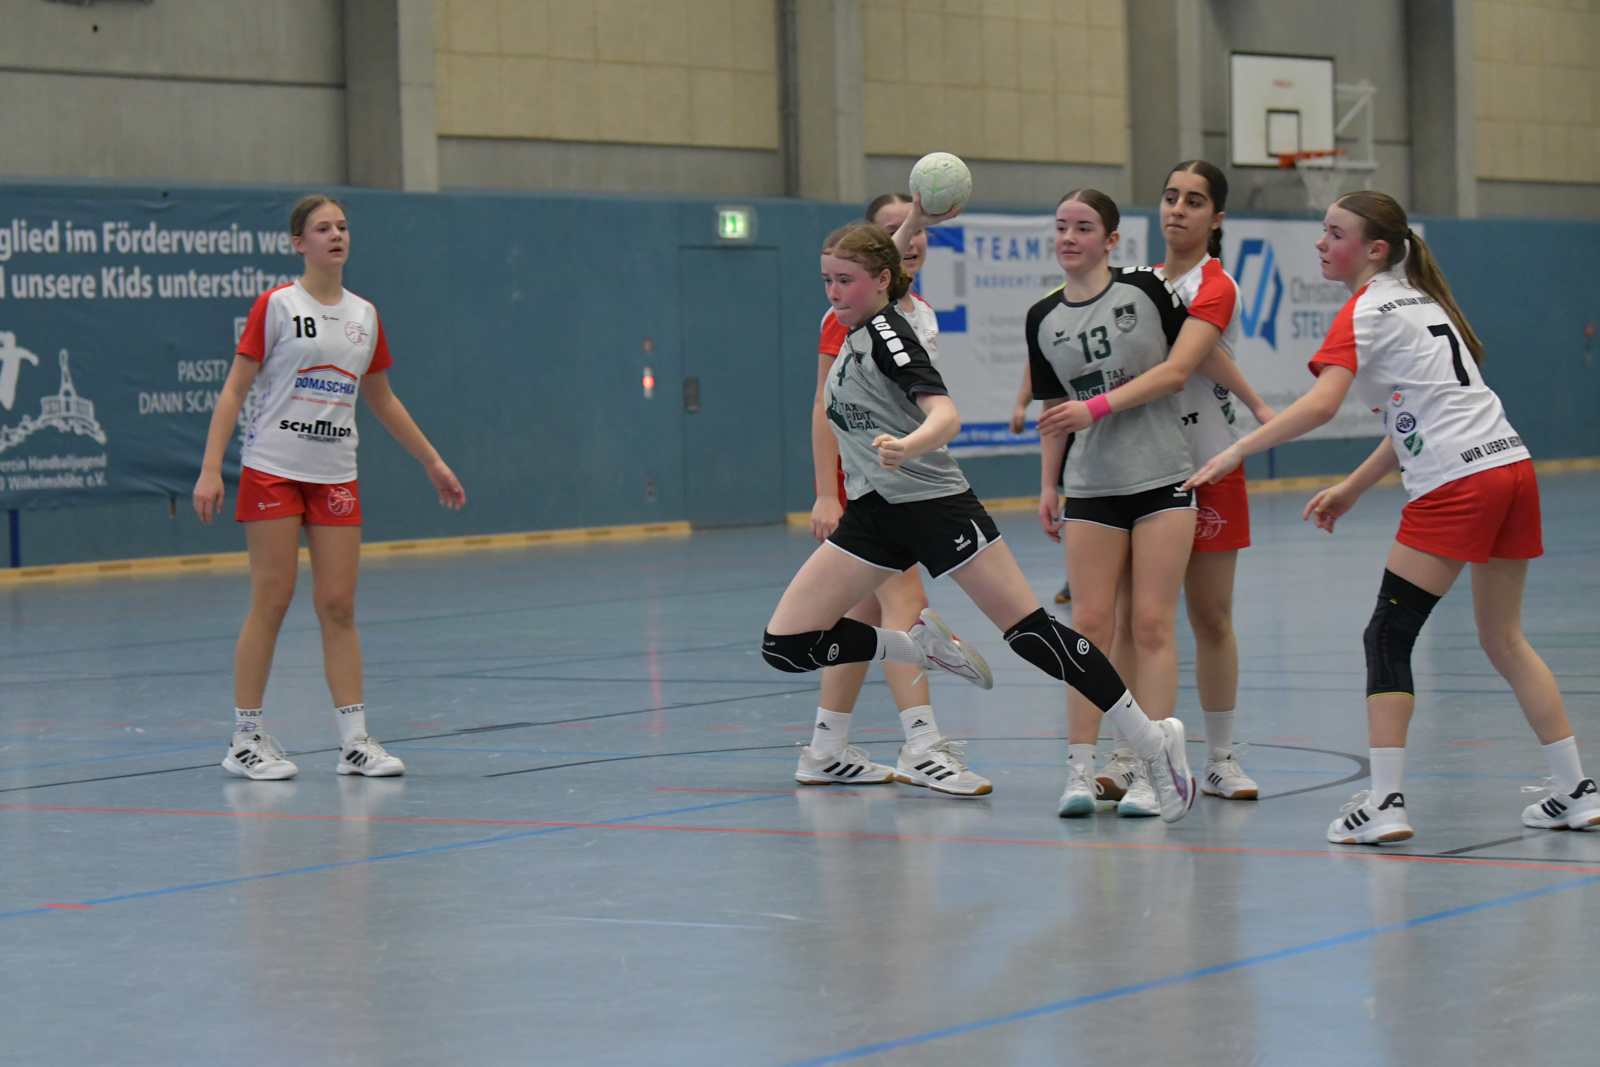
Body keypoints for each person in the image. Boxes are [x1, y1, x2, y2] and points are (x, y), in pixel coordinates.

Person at [1186, 190, 1598, 842]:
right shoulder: (1421, 298)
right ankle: (1575, 789)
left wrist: (1237, 448)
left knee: (1388, 636)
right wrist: (1354, 485)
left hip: (1458, 479)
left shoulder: (1365, 309)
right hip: (1511, 467)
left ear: (1374, 249)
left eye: (1335, 233)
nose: (1321, 242)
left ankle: (1385, 802)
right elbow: (1414, 414)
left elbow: (1321, 405)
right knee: (1504, 637)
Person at [764, 220, 1196, 822]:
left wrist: (910, 445)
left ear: (882, 280)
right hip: (874, 514)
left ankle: (1153, 743)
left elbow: (945, 415)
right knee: (785, 646)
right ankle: (916, 646)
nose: (834, 293)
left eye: (846, 281)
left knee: (1032, 635)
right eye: (827, 281)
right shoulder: (849, 331)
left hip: (934, 505)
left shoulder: (890, 336)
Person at [194, 194, 465, 781]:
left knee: (339, 605)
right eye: (322, 228)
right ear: (299, 243)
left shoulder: (365, 315)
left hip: (335, 474)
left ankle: (354, 742)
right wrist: (212, 467)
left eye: (342, 226)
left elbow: (382, 400)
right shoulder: (276, 306)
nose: (336, 235)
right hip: (273, 469)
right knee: (272, 598)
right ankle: (245, 739)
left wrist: (433, 462)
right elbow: (235, 390)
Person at [1027, 190, 1223, 818]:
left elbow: (1188, 363)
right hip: (1091, 486)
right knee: (1088, 626)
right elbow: (1053, 411)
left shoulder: (1145, 291)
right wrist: (1049, 485)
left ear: (1111, 240)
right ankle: (1080, 770)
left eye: (1084, 228)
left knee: (1152, 624)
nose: (1069, 237)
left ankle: (1150, 768)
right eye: (1061, 226)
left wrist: (1255, 407)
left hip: (1163, 478)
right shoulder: (1042, 317)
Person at [801, 192, 989, 796]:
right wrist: (825, 493)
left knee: (861, 614)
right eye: (895, 230)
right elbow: (822, 406)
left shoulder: (918, 314)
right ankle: (923, 746)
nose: (910, 238)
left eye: (918, 229)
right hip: (868, 487)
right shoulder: (846, 315)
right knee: (908, 601)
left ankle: (825, 749)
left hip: (904, 477)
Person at [1149, 161, 1277, 802]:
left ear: (1216, 218)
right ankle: (1135, 753)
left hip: (1211, 465)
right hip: (1144, 468)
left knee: (1210, 617)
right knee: (1139, 621)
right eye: (1171, 197)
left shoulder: (1216, 285)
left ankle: (1221, 758)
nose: (1178, 209)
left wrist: (1255, 406)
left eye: (1194, 201)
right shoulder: (1138, 285)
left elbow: (1193, 359)